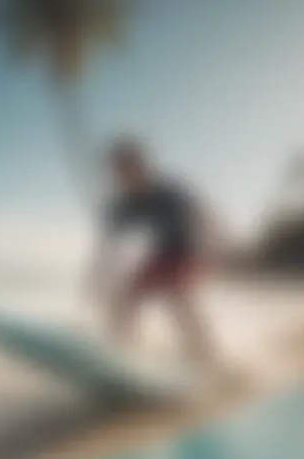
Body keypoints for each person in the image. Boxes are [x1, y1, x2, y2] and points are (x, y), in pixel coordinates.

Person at [87, 137, 224, 369]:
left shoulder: (170, 194)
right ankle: (118, 355)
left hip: (183, 254)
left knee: (181, 300)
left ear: (142, 167)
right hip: (152, 259)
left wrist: (208, 254)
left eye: (129, 168)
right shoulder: (119, 207)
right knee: (121, 299)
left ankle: (208, 358)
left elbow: (205, 220)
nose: (125, 176)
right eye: (118, 171)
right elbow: (109, 249)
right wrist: (98, 282)